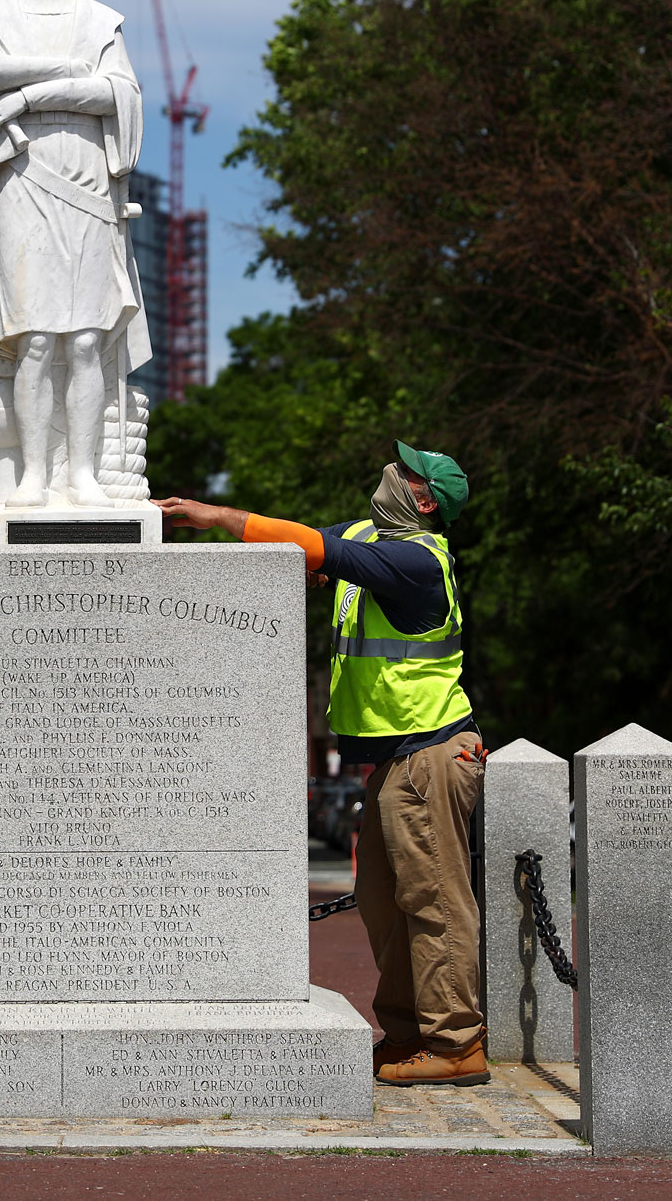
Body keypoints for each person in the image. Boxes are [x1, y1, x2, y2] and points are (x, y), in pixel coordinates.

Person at [152, 442, 488, 1088]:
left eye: (405, 470)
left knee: (435, 899)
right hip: (396, 758)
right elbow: (305, 542)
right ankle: (408, 1032)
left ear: (423, 500)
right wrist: (307, 558)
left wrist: (210, 515)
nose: (390, 472)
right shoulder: (373, 535)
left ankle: (457, 1040)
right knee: (383, 899)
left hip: (431, 751)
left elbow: (326, 552)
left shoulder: (416, 559)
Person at [0, 0, 151, 507]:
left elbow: (117, 92)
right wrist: (61, 69)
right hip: (24, 174)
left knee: (86, 340)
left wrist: (28, 95)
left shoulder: (101, 20)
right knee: (35, 341)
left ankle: (81, 474)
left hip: (88, 178)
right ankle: (35, 476)